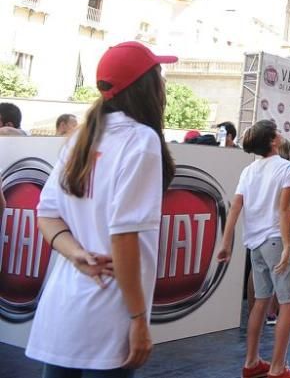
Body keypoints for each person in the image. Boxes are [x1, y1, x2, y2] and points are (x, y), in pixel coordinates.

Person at [25, 40, 177, 377]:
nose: (164, 83)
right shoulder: (141, 140)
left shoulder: (82, 138)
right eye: (160, 75)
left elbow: (47, 215)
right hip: (110, 316)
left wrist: (76, 253)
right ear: (146, 86)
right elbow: (124, 236)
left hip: (64, 309)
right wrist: (139, 319)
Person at [217, 119, 290, 378]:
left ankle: (251, 361)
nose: (280, 133)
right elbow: (284, 209)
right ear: (272, 141)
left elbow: (235, 207)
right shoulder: (287, 169)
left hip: (255, 243)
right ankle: (277, 368)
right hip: (277, 239)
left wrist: (226, 242)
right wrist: (289, 245)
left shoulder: (249, 171)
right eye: (276, 131)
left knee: (260, 302)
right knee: (289, 303)